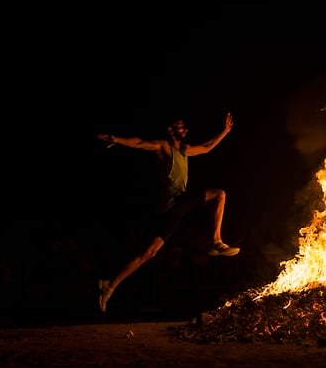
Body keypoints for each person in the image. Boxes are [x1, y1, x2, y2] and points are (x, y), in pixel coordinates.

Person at [95, 112, 240, 312]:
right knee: (219, 194)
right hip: (174, 203)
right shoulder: (163, 146)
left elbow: (207, 148)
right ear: (171, 130)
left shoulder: (185, 149)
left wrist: (225, 130)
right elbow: (138, 143)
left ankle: (109, 286)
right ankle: (215, 242)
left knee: (149, 252)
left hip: (174, 209)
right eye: (181, 126)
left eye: (185, 127)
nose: (185, 130)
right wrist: (117, 139)